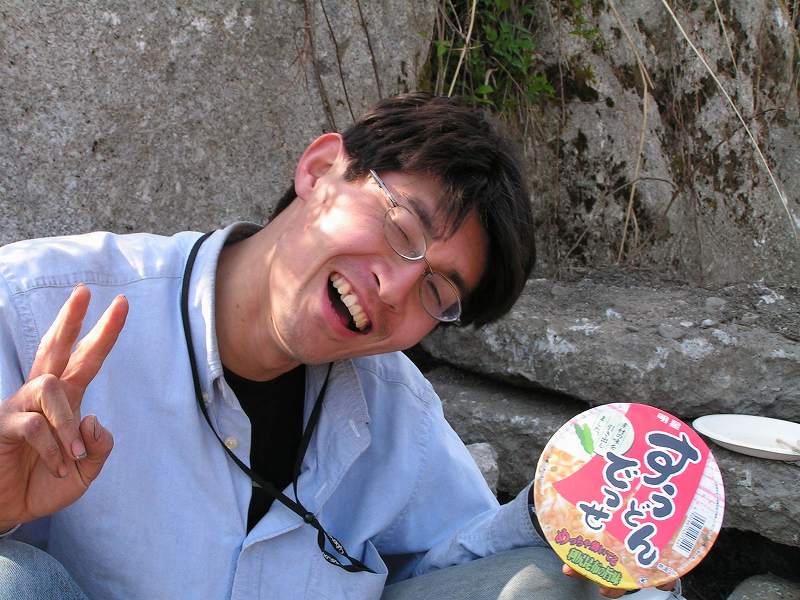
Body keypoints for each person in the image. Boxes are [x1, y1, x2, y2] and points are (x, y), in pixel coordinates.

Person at [0, 93, 678, 599]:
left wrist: (582, 537)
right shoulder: (32, 309)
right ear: (321, 169)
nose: (394, 287)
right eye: (400, 228)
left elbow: (463, 568)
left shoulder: (394, 410)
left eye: (436, 291)